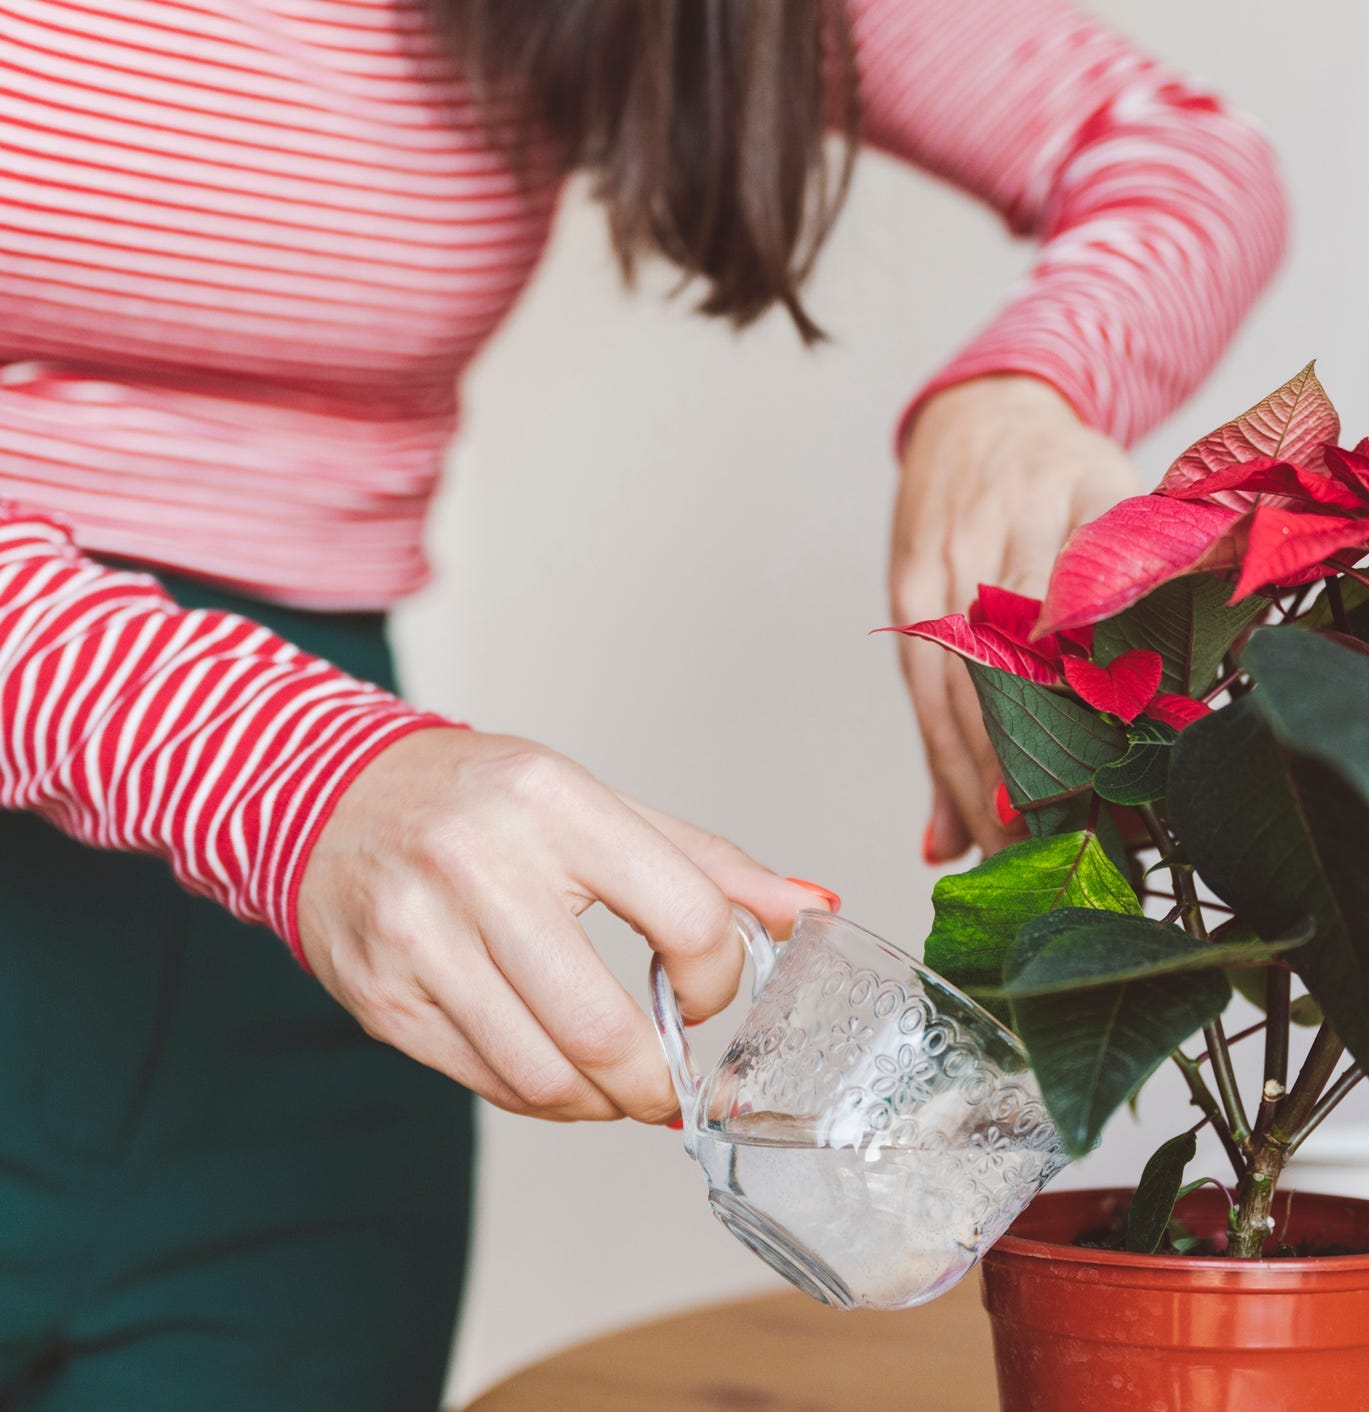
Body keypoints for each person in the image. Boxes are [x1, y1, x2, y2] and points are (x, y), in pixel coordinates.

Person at [0, 0, 1285, 1406]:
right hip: (297, 792)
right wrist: (282, 770)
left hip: (303, 987)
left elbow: (1179, 154)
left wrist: (1027, 391)